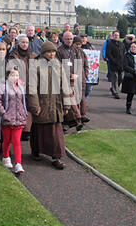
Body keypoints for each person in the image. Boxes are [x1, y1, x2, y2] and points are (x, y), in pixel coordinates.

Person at [27, 41, 70, 170]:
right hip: (42, 103)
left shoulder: (58, 64)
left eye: (53, 52)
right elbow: (32, 87)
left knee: (55, 132)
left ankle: (56, 157)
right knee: (38, 129)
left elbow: (65, 85)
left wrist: (67, 105)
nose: (51, 54)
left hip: (56, 104)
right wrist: (35, 106)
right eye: (49, 52)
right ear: (43, 52)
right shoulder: (36, 65)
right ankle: (35, 151)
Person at [0, 67, 27, 174]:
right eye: (13, 75)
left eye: (17, 75)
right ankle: (5, 156)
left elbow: (23, 102)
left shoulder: (21, 87)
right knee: (7, 140)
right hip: (7, 120)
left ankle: (18, 163)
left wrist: (24, 113)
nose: (15, 77)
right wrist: (4, 114)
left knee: (17, 141)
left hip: (19, 119)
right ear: (7, 76)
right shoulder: (1, 88)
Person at [8, 34, 37, 141]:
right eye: (22, 42)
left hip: (30, 84)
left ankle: (26, 130)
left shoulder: (32, 55)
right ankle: (19, 128)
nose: (25, 44)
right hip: (18, 84)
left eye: (26, 42)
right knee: (19, 107)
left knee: (29, 106)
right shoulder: (13, 55)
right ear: (18, 43)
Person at [57, 32, 83, 131]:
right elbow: (58, 66)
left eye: (71, 38)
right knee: (67, 101)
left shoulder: (75, 50)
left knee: (73, 101)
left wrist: (76, 74)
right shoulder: (59, 51)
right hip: (63, 79)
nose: (69, 40)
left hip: (74, 80)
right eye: (67, 38)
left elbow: (79, 63)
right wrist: (68, 75)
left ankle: (72, 122)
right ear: (63, 39)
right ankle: (76, 120)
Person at [73, 36, 90, 123]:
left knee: (82, 97)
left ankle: (83, 114)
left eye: (80, 44)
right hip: (73, 79)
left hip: (81, 79)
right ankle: (77, 116)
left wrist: (85, 75)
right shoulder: (70, 52)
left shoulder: (82, 53)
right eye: (77, 44)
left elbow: (86, 65)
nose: (78, 46)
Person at [106, 30, 125, 99]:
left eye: (117, 35)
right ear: (113, 36)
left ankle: (113, 88)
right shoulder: (110, 44)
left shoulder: (121, 44)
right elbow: (108, 54)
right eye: (115, 35)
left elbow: (123, 53)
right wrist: (113, 61)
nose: (116, 36)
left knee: (121, 78)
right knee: (115, 78)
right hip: (113, 64)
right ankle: (116, 92)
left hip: (121, 65)